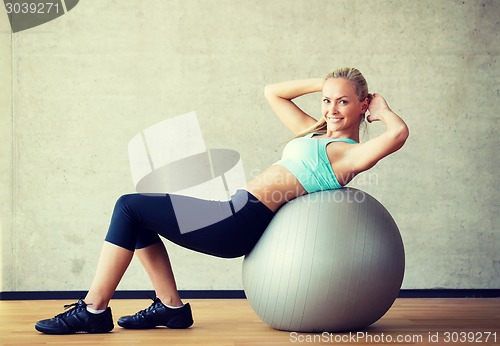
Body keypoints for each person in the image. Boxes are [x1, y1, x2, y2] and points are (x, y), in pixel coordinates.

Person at [35, 67, 409, 334]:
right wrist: (324, 82)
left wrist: (384, 109)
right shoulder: (314, 132)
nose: (330, 109)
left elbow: (398, 134)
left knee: (128, 206)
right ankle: (171, 309)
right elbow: (272, 92)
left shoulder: (348, 153)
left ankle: (93, 309)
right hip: (235, 207)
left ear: (362, 106)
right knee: (136, 215)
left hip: (241, 221)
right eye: (327, 100)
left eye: (343, 102)